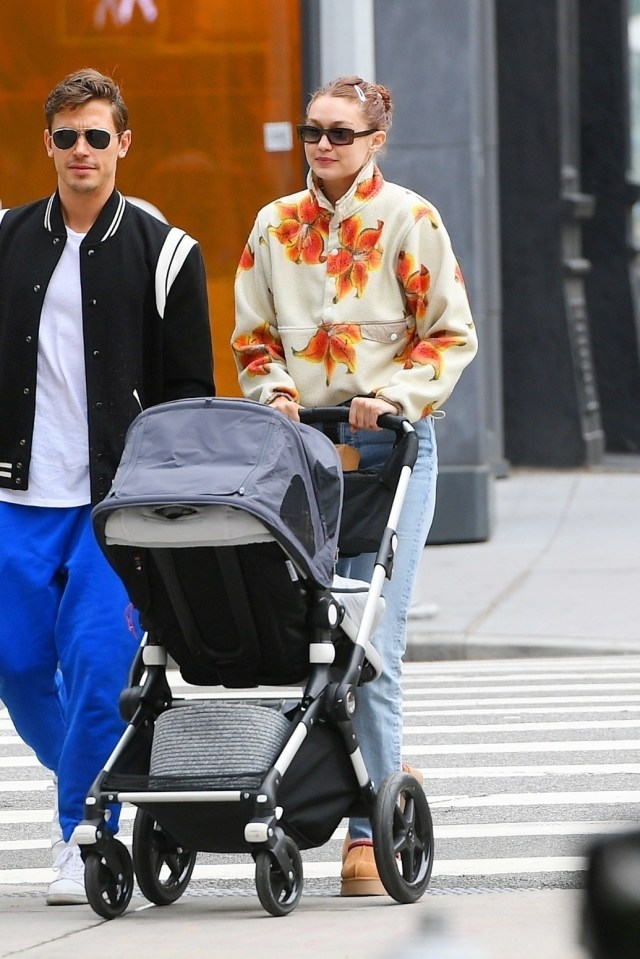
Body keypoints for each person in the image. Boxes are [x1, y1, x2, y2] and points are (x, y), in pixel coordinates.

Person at [232, 75, 477, 896]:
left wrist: (394, 397)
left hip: (391, 451)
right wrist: (276, 396)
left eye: (341, 132)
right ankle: (349, 775)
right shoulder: (273, 227)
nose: (323, 144)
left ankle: (371, 825)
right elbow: (253, 337)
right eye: (312, 131)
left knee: (373, 644)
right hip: (300, 454)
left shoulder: (411, 218)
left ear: (376, 140)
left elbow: (449, 333)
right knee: (308, 635)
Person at [0, 68, 214, 904]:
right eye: (67, 137)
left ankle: (81, 831)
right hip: (16, 494)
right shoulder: (8, 238)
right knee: (16, 661)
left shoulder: (168, 254)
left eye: (97, 136)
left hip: (113, 503)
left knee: (95, 664)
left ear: (123, 143)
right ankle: (109, 767)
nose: (81, 151)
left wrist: (172, 506)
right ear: (47, 144)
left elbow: (188, 397)